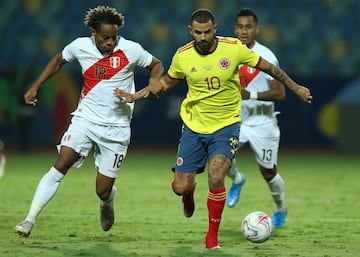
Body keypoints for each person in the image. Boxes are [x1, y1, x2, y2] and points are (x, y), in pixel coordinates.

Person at [114, 9, 312, 249]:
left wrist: (296, 87)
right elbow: (165, 83)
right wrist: (137, 95)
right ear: (191, 32)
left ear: (215, 29)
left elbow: (271, 68)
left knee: (217, 176)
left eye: (207, 31)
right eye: (198, 32)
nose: (203, 36)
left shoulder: (234, 48)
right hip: (194, 127)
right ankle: (188, 193)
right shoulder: (183, 56)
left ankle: (212, 240)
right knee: (180, 186)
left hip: (226, 126)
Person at [14, 5, 164, 237]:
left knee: (102, 190)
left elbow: (156, 65)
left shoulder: (131, 49)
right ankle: (29, 220)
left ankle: (108, 200)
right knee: (62, 162)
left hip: (117, 128)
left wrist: (154, 81)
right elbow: (57, 61)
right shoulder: (79, 46)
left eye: (113, 37)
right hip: (86, 119)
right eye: (105, 38)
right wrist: (35, 86)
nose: (110, 43)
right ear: (93, 33)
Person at [226, 8, 289, 228]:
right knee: (219, 158)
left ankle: (281, 208)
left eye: (248, 27)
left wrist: (249, 94)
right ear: (235, 29)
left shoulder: (267, 56)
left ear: (256, 29)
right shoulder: (228, 53)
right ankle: (237, 179)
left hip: (263, 123)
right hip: (237, 120)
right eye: (240, 27)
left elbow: (280, 93)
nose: (244, 31)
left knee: (268, 172)